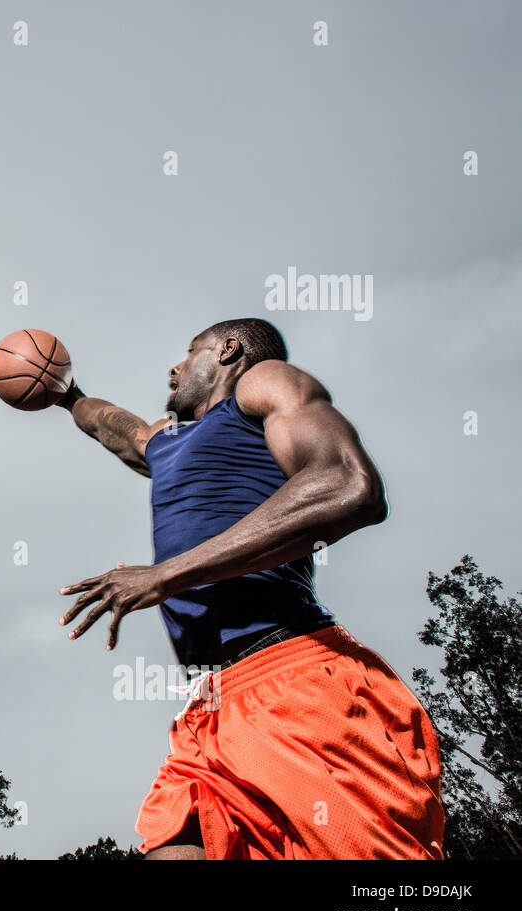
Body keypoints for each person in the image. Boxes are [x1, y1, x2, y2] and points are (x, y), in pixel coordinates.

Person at [56, 318, 444, 859]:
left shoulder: (263, 386)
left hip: (296, 679)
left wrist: (166, 574)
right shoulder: (168, 446)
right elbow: (114, 427)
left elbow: (350, 486)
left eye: (189, 353)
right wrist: (64, 394)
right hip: (212, 708)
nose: (173, 368)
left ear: (229, 350)